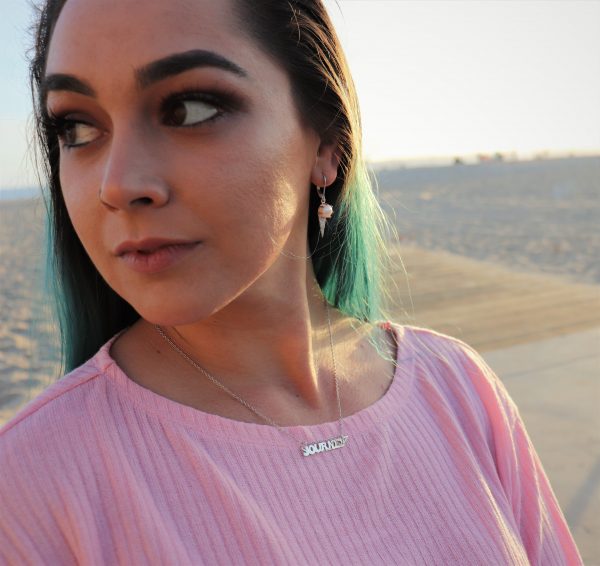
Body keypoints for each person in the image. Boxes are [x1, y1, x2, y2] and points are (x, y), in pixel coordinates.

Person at [0, 0, 583, 564]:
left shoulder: (457, 386)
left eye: (190, 109)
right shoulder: (28, 483)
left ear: (326, 143)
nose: (117, 184)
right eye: (76, 128)